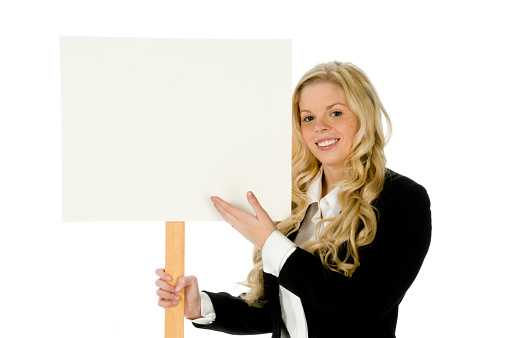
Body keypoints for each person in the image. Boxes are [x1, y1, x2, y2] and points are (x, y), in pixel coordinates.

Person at [155, 61, 432, 338]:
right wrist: (201, 305)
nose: (319, 127)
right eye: (308, 117)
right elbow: (278, 312)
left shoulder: (403, 199)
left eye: (335, 113)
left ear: (363, 116)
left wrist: (271, 242)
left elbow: (360, 312)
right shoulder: (294, 200)